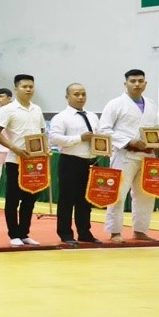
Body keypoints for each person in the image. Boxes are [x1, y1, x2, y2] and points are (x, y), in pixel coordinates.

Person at [100, 68, 159, 243]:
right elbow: (104, 129)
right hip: (125, 154)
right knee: (118, 194)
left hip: (148, 156)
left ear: (145, 83)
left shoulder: (151, 104)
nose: (137, 84)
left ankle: (140, 230)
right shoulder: (115, 104)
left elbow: (156, 128)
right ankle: (115, 232)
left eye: (140, 81)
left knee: (145, 194)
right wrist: (129, 141)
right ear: (126, 84)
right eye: (133, 81)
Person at [0, 73, 47, 247]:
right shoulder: (8, 109)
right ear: (16, 89)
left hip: (34, 162)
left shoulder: (37, 109)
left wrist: (45, 150)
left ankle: (24, 233)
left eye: (31, 86)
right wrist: (14, 148)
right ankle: (13, 234)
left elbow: (42, 133)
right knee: (13, 198)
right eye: (24, 86)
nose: (28, 89)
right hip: (15, 160)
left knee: (30, 199)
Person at [49, 82, 102, 247]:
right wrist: (80, 138)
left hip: (90, 162)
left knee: (85, 200)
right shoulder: (61, 117)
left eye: (83, 94)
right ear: (67, 97)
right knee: (67, 199)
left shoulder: (92, 116)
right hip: (70, 161)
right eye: (76, 94)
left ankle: (85, 232)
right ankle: (65, 233)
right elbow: (54, 138)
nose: (80, 97)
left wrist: (104, 147)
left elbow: (99, 136)